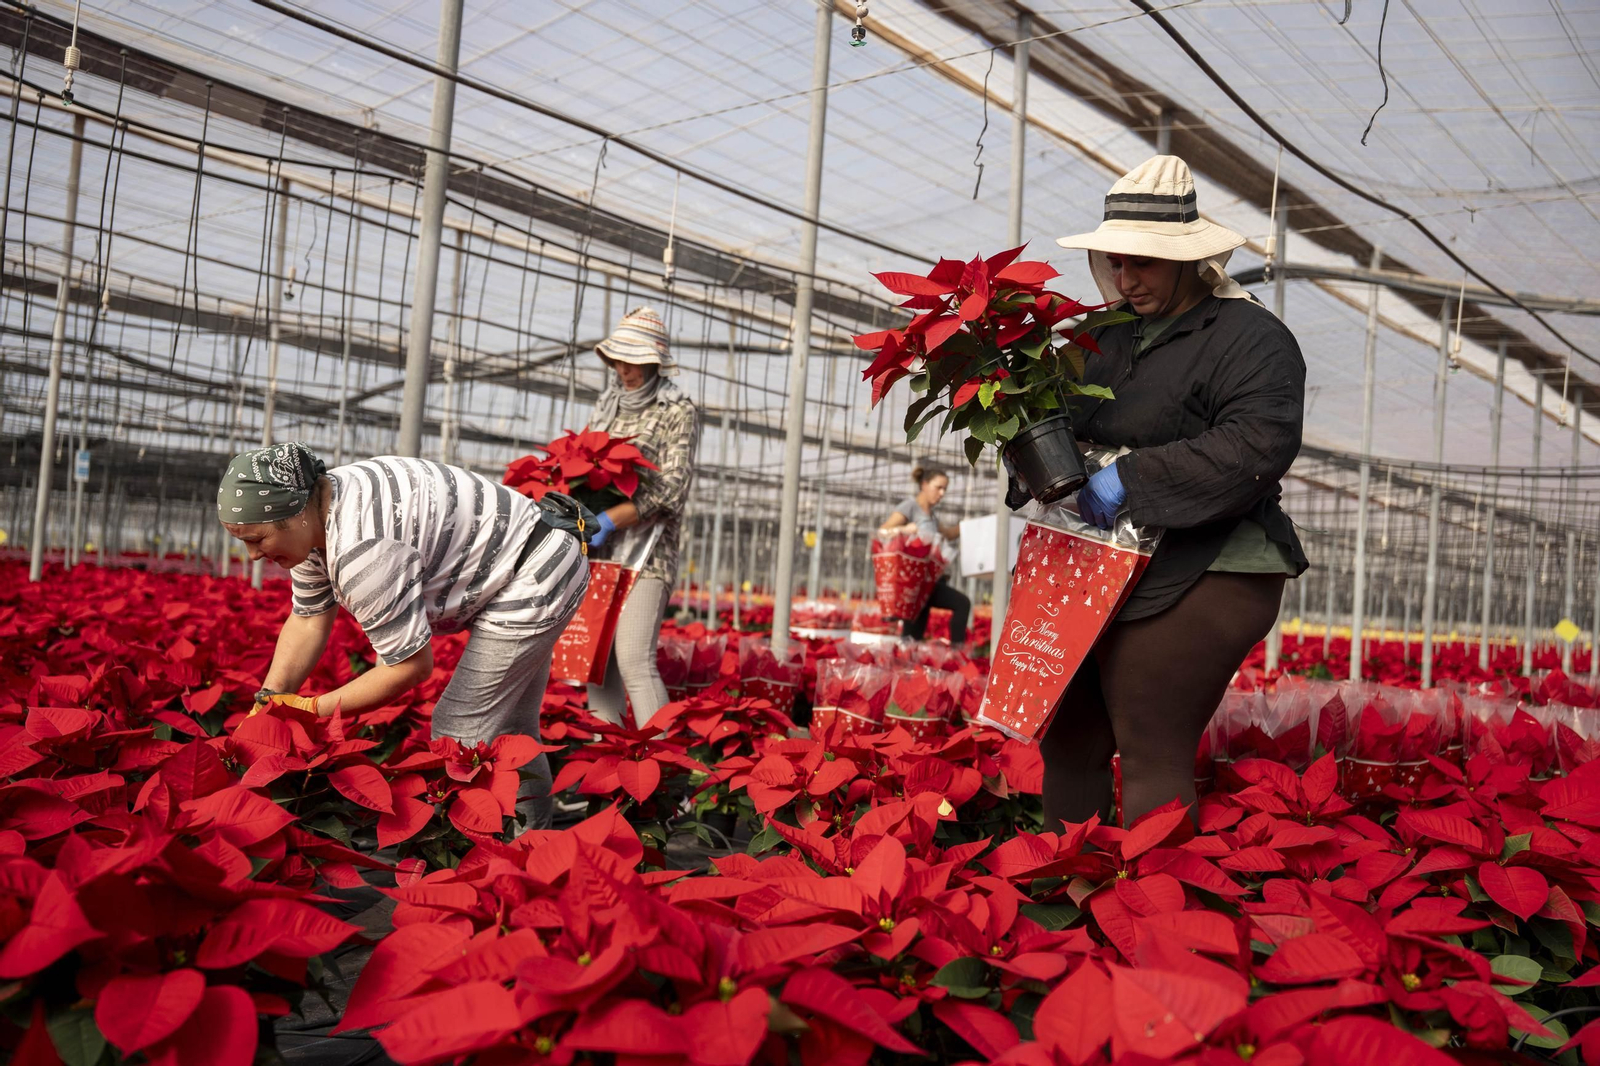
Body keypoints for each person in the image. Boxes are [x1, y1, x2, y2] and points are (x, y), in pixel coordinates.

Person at [1032, 154, 1307, 829]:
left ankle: (1156, 925)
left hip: (1212, 561)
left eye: (1144, 264)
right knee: (1068, 738)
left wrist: (1127, 478)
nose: (1126, 279)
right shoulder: (1099, 337)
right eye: (1116, 263)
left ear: (1189, 259)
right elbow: (1049, 418)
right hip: (1100, 557)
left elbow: (1254, 447)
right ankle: (1068, 910)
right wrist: (1036, 457)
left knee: (1150, 734)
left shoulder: (1252, 340)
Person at [218, 442, 590, 833]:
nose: (253, 555)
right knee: (513, 730)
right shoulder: (318, 514)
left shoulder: (361, 548)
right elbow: (309, 618)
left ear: (293, 514)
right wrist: (271, 698)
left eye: (257, 540)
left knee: (458, 730)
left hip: (535, 574)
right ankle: (536, 844)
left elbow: (410, 667)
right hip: (534, 555)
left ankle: (491, 868)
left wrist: (309, 710)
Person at [583, 307, 700, 728]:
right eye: (618, 359)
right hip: (601, 555)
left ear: (654, 361)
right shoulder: (606, 407)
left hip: (650, 555)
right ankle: (607, 779)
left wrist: (613, 517)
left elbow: (672, 488)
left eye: (632, 360)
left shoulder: (677, 410)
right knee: (598, 665)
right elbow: (583, 464)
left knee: (633, 658)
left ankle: (667, 779)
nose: (623, 369)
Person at [878, 462, 970, 645]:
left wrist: (972, 525)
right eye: (939, 487)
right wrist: (904, 529)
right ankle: (957, 652)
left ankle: (906, 663)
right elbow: (883, 531)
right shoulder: (910, 507)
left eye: (945, 489)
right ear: (924, 485)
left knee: (914, 634)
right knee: (962, 604)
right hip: (915, 581)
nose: (942, 493)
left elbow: (948, 534)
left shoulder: (932, 516)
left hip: (929, 580)